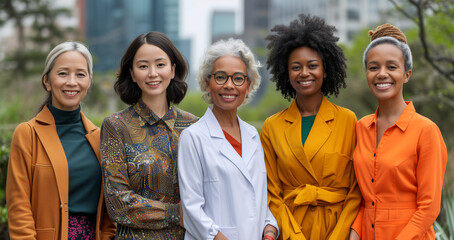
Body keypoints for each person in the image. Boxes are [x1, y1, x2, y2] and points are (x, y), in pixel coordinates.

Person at [260, 14, 362, 240]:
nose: (304, 73)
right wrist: (293, 236)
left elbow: (356, 191)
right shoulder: (272, 126)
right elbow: (271, 193)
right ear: (287, 73)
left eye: (312, 65)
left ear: (325, 70)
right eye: (296, 67)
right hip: (291, 229)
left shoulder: (348, 120)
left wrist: (339, 236)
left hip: (337, 229)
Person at [6, 41, 116, 239]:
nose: (71, 82)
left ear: (89, 82)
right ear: (47, 81)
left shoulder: (101, 138)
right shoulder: (27, 134)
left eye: (80, 74)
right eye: (63, 73)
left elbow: (110, 212)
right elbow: (19, 207)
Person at [349, 23, 447, 240]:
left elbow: (429, 208)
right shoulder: (361, 127)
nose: (382, 74)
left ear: (407, 74)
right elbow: (366, 200)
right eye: (374, 67)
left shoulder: (426, 131)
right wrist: (354, 233)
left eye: (392, 67)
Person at [177, 38, 279, 240]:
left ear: (248, 85)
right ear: (207, 82)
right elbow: (190, 209)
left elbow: (259, 199)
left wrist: (269, 229)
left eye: (238, 78)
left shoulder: (253, 135)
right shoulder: (193, 137)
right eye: (221, 77)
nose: (229, 85)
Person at [100, 31, 198, 239]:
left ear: (172, 70)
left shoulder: (193, 126)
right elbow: (117, 203)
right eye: (143, 66)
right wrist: (176, 212)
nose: (152, 73)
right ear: (133, 74)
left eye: (160, 65)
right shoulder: (116, 126)